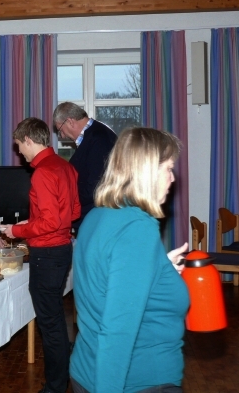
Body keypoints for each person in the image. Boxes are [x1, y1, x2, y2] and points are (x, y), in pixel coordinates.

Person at [70, 127, 190, 393]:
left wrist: (160, 267)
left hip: (85, 371)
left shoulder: (96, 217)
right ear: (147, 171)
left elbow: (105, 282)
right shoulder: (138, 229)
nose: (172, 179)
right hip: (138, 380)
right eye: (168, 168)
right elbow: (118, 331)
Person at [1, 118, 81, 393]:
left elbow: (50, 222)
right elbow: (73, 213)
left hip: (46, 253)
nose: (19, 152)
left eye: (19, 146)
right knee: (55, 316)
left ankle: (56, 386)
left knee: (49, 323)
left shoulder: (43, 172)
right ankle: (67, 372)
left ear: (29, 141)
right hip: (61, 250)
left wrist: (16, 229)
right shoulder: (66, 167)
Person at [53, 102, 117, 233]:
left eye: (61, 130)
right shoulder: (95, 135)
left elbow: (95, 187)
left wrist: (67, 203)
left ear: (70, 121)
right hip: (95, 218)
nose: (63, 136)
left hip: (97, 221)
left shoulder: (99, 139)